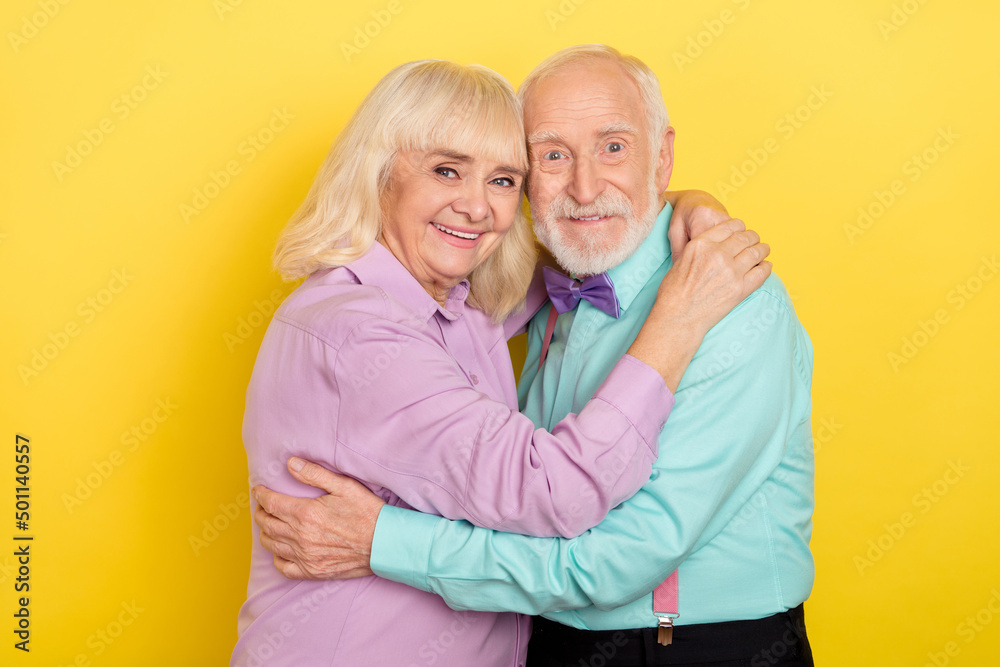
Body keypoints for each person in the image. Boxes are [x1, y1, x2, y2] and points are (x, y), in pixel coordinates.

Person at [252, 45, 815, 667]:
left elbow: (621, 559)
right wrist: (672, 316)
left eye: (615, 147)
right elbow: (551, 490)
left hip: (692, 648)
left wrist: (385, 539)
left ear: (662, 157)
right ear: (379, 172)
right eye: (551, 155)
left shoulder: (724, 300)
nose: (584, 184)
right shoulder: (379, 326)